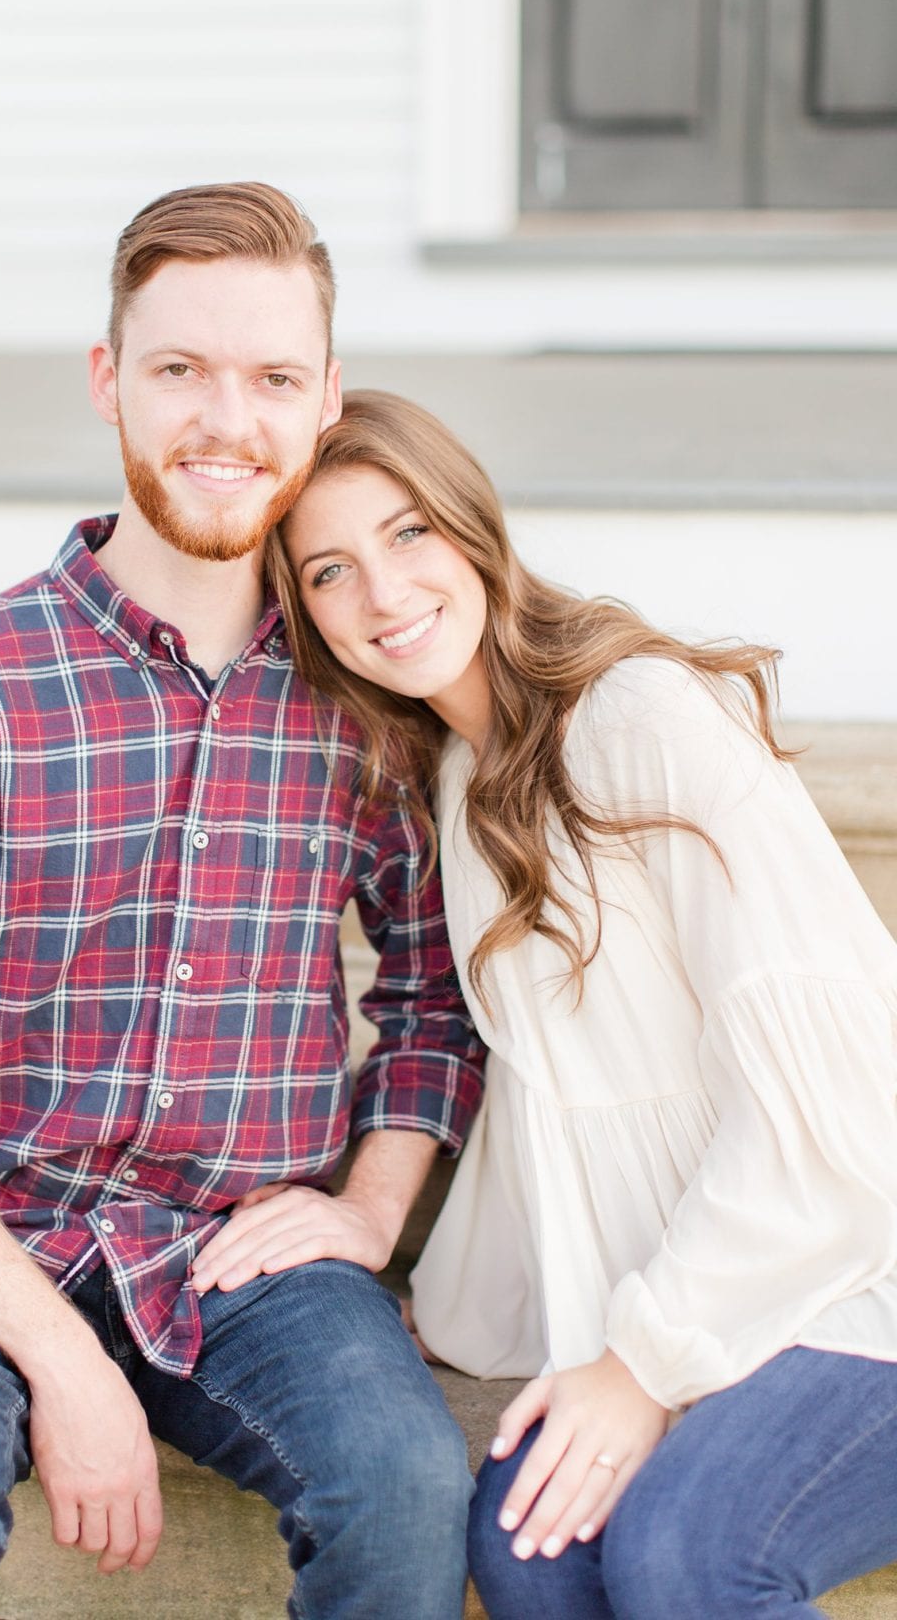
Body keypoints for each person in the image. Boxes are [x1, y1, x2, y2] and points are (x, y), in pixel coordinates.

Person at [0, 189, 485, 1620]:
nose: (228, 420)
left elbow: (432, 998)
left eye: (276, 379)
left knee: (413, 1497)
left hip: (249, 1246)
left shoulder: (368, 703)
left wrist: (368, 1207)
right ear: (111, 380)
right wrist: (60, 1352)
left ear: (325, 398)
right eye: (181, 370)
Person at [273, 388, 897, 1620]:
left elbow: (833, 1096)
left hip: (853, 1256)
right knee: (525, 1553)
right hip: (721, 1289)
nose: (384, 596)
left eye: (408, 536)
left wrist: (641, 1362)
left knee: (687, 1554)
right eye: (331, 572)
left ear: (473, 527)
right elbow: (554, 1110)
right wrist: (428, 1302)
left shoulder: (640, 715)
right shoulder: (457, 785)